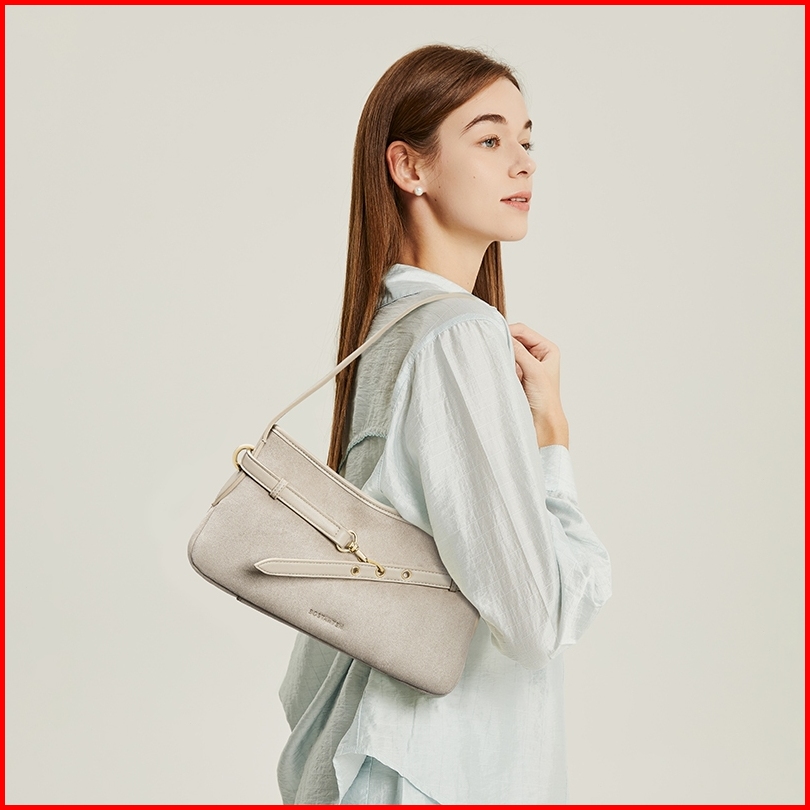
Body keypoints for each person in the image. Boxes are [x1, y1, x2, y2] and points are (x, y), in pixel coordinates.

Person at [276, 43, 612, 805]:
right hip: (437, 770)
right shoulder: (458, 335)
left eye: (526, 140)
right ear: (409, 167)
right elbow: (534, 620)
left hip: (386, 757)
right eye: (489, 140)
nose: (523, 162)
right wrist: (553, 440)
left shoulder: (390, 329)